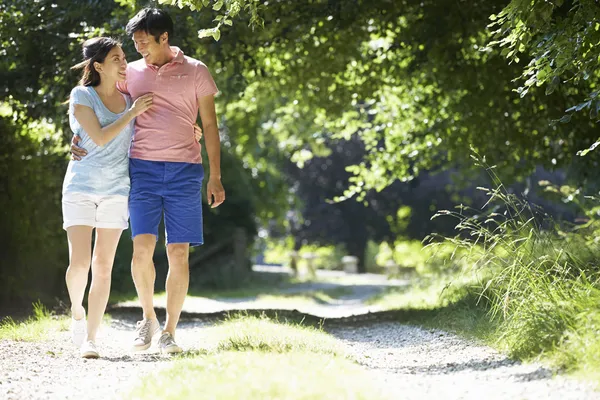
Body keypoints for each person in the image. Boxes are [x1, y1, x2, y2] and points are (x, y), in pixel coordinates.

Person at [71, 8, 225, 354]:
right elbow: (101, 100)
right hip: (142, 169)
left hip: (186, 171)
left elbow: (211, 126)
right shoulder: (132, 73)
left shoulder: (197, 71)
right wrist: (78, 135)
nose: (138, 50)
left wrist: (215, 176)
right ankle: (147, 319)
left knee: (178, 252)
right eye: (135, 43)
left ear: (164, 38)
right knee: (142, 250)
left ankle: (170, 330)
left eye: (144, 42)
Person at [63, 37, 153, 359]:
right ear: (98, 65)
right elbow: (99, 139)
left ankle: (90, 339)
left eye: (124, 57)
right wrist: (131, 114)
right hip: (81, 186)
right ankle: (76, 310)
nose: (124, 62)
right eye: (116, 58)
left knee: (103, 266)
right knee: (80, 264)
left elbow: (158, 128)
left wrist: (192, 132)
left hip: (117, 189)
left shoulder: (131, 97)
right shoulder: (82, 95)